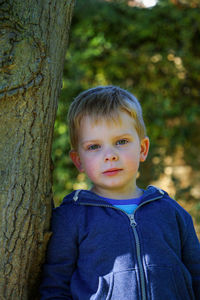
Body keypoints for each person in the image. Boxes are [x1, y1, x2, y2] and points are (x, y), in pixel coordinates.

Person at [40, 85, 200, 299]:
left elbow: (197, 275)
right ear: (78, 160)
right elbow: (55, 286)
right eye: (94, 147)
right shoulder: (72, 217)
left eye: (121, 142)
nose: (110, 155)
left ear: (142, 149)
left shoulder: (171, 211)